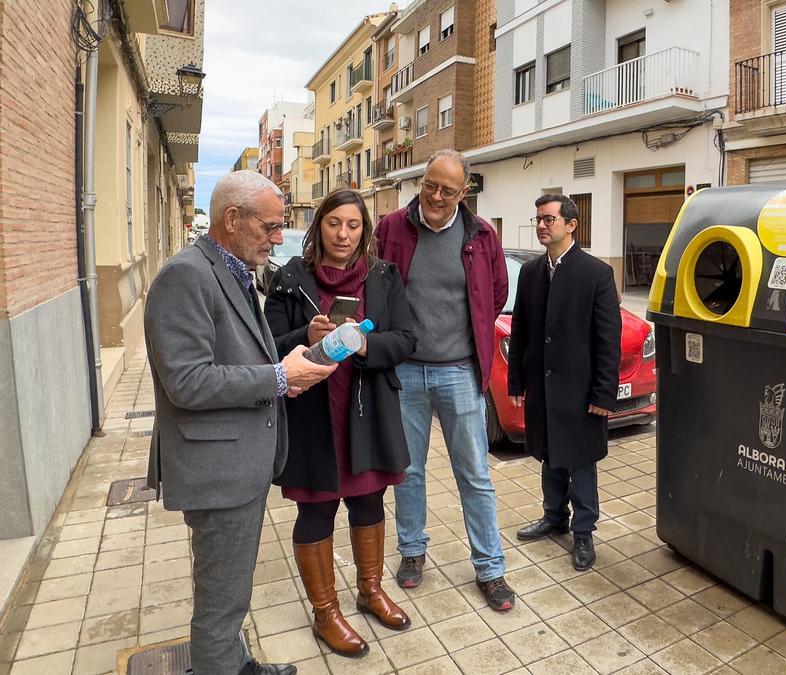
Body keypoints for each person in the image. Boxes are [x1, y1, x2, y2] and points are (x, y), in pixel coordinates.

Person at [144, 171, 337, 675]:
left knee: (232, 593)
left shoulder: (232, 270)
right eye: (272, 227)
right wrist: (276, 377)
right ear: (233, 219)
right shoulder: (185, 275)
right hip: (217, 470)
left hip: (237, 466)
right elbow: (186, 382)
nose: (279, 238)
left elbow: (239, 352)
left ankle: (237, 664)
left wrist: (288, 366)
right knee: (219, 604)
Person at [264, 189, 417, 657]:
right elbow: (266, 344)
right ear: (319, 226)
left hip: (368, 412)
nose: (343, 234)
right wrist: (304, 335)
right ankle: (325, 611)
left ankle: (370, 592)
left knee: (369, 504)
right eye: (334, 224)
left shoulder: (383, 277)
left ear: (364, 230)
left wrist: (366, 346)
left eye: (353, 225)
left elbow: (408, 339)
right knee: (317, 510)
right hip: (313, 414)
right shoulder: (291, 279)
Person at [375, 149, 516, 611]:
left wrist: (466, 334)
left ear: (464, 192)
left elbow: (496, 293)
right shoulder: (392, 228)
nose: (436, 196)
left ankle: (490, 568)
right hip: (406, 370)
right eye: (431, 184)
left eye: (447, 190)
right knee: (408, 470)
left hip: (458, 369)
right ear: (423, 180)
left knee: (474, 473)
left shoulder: (481, 235)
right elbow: (375, 286)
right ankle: (412, 552)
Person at [508, 194, 622, 571]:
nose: (541, 225)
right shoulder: (531, 273)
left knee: (581, 460)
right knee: (549, 453)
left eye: (549, 219)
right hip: (542, 385)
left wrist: (604, 393)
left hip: (581, 388)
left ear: (572, 225)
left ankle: (584, 531)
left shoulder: (596, 274)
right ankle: (553, 516)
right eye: (538, 219)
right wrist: (517, 382)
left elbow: (608, 340)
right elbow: (521, 330)